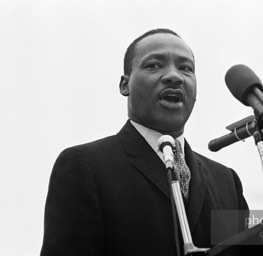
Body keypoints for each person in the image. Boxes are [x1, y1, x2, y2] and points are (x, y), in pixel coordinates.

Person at [40, 28, 249, 256]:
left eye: (185, 68)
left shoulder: (225, 180)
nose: (174, 76)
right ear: (124, 84)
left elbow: (253, 248)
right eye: (154, 65)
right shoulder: (85, 166)